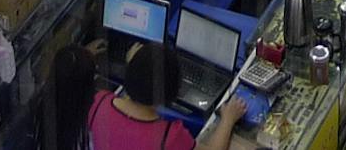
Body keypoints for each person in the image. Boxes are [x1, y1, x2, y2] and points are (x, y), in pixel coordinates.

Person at [87, 44, 244, 150]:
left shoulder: (99, 102)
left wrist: (136, 65)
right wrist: (228, 119)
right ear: (172, 90)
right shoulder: (169, 137)